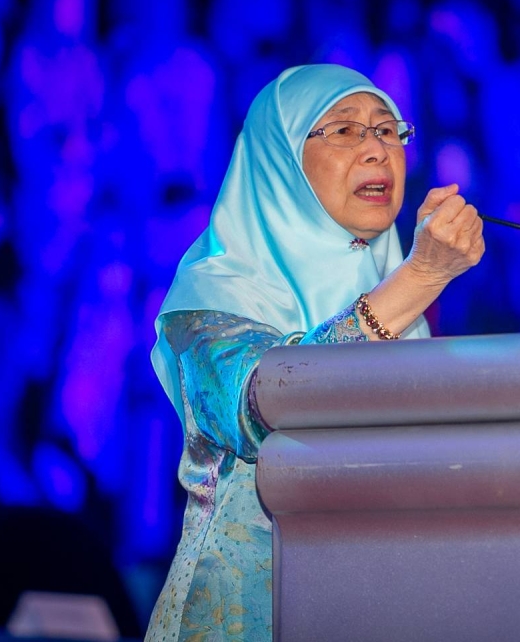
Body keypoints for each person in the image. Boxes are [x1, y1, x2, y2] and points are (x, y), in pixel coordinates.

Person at [145, 64, 485, 639]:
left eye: (387, 129)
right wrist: (421, 278)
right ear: (279, 161)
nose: (378, 149)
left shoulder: (406, 310)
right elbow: (269, 408)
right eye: (345, 130)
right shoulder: (209, 301)